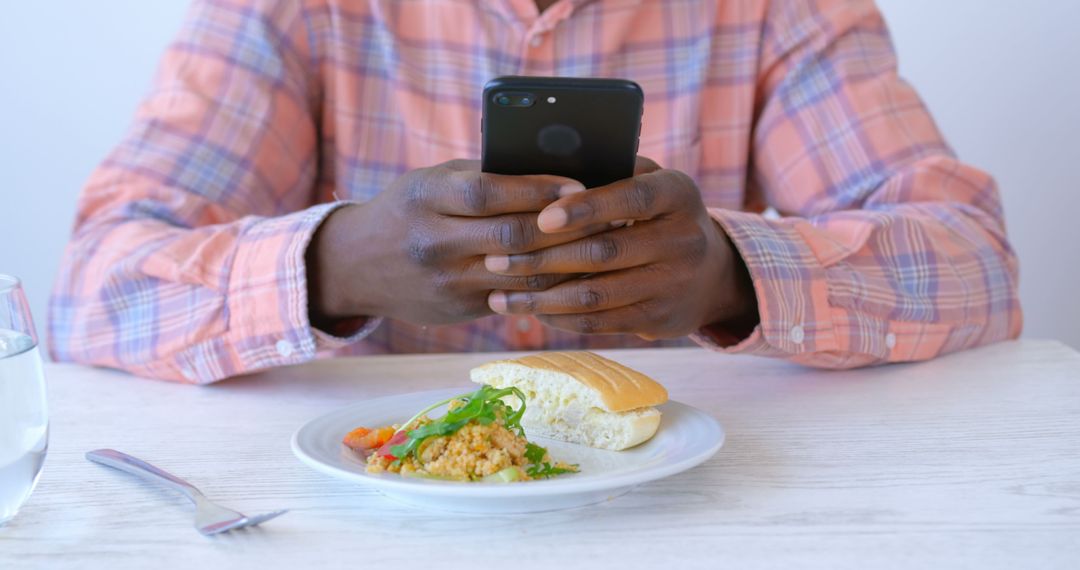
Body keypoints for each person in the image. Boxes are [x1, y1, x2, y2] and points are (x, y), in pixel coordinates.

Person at [49, 0, 1021, 384]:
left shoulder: (780, 11)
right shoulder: (291, 9)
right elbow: (90, 291)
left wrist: (734, 275)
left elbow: (978, 263)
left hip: (700, 512)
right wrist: (334, 265)